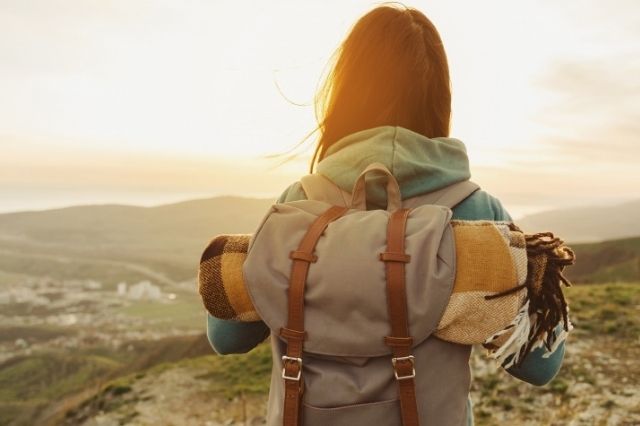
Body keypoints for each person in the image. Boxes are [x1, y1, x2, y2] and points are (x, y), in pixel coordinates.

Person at [206, 4, 565, 425]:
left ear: (345, 92)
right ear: (439, 98)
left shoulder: (298, 204)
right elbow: (540, 365)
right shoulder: (476, 211)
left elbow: (226, 336)